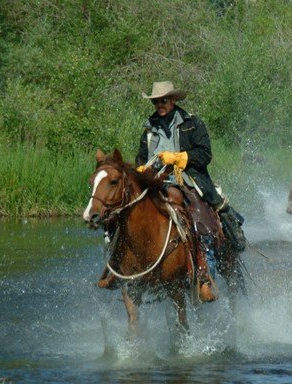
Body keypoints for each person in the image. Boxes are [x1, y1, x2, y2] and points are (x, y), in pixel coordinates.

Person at [97, 81, 246, 302]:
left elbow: (205, 154)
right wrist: (141, 169)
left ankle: (203, 276)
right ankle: (118, 268)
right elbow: (141, 158)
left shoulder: (192, 123)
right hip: (156, 183)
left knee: (199, 219)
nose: (160, 105)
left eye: (163, 100)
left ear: (173, 100)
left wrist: (180, 157)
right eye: (156, 101)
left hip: (189, 182)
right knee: (123, 215)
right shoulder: (149, 129)